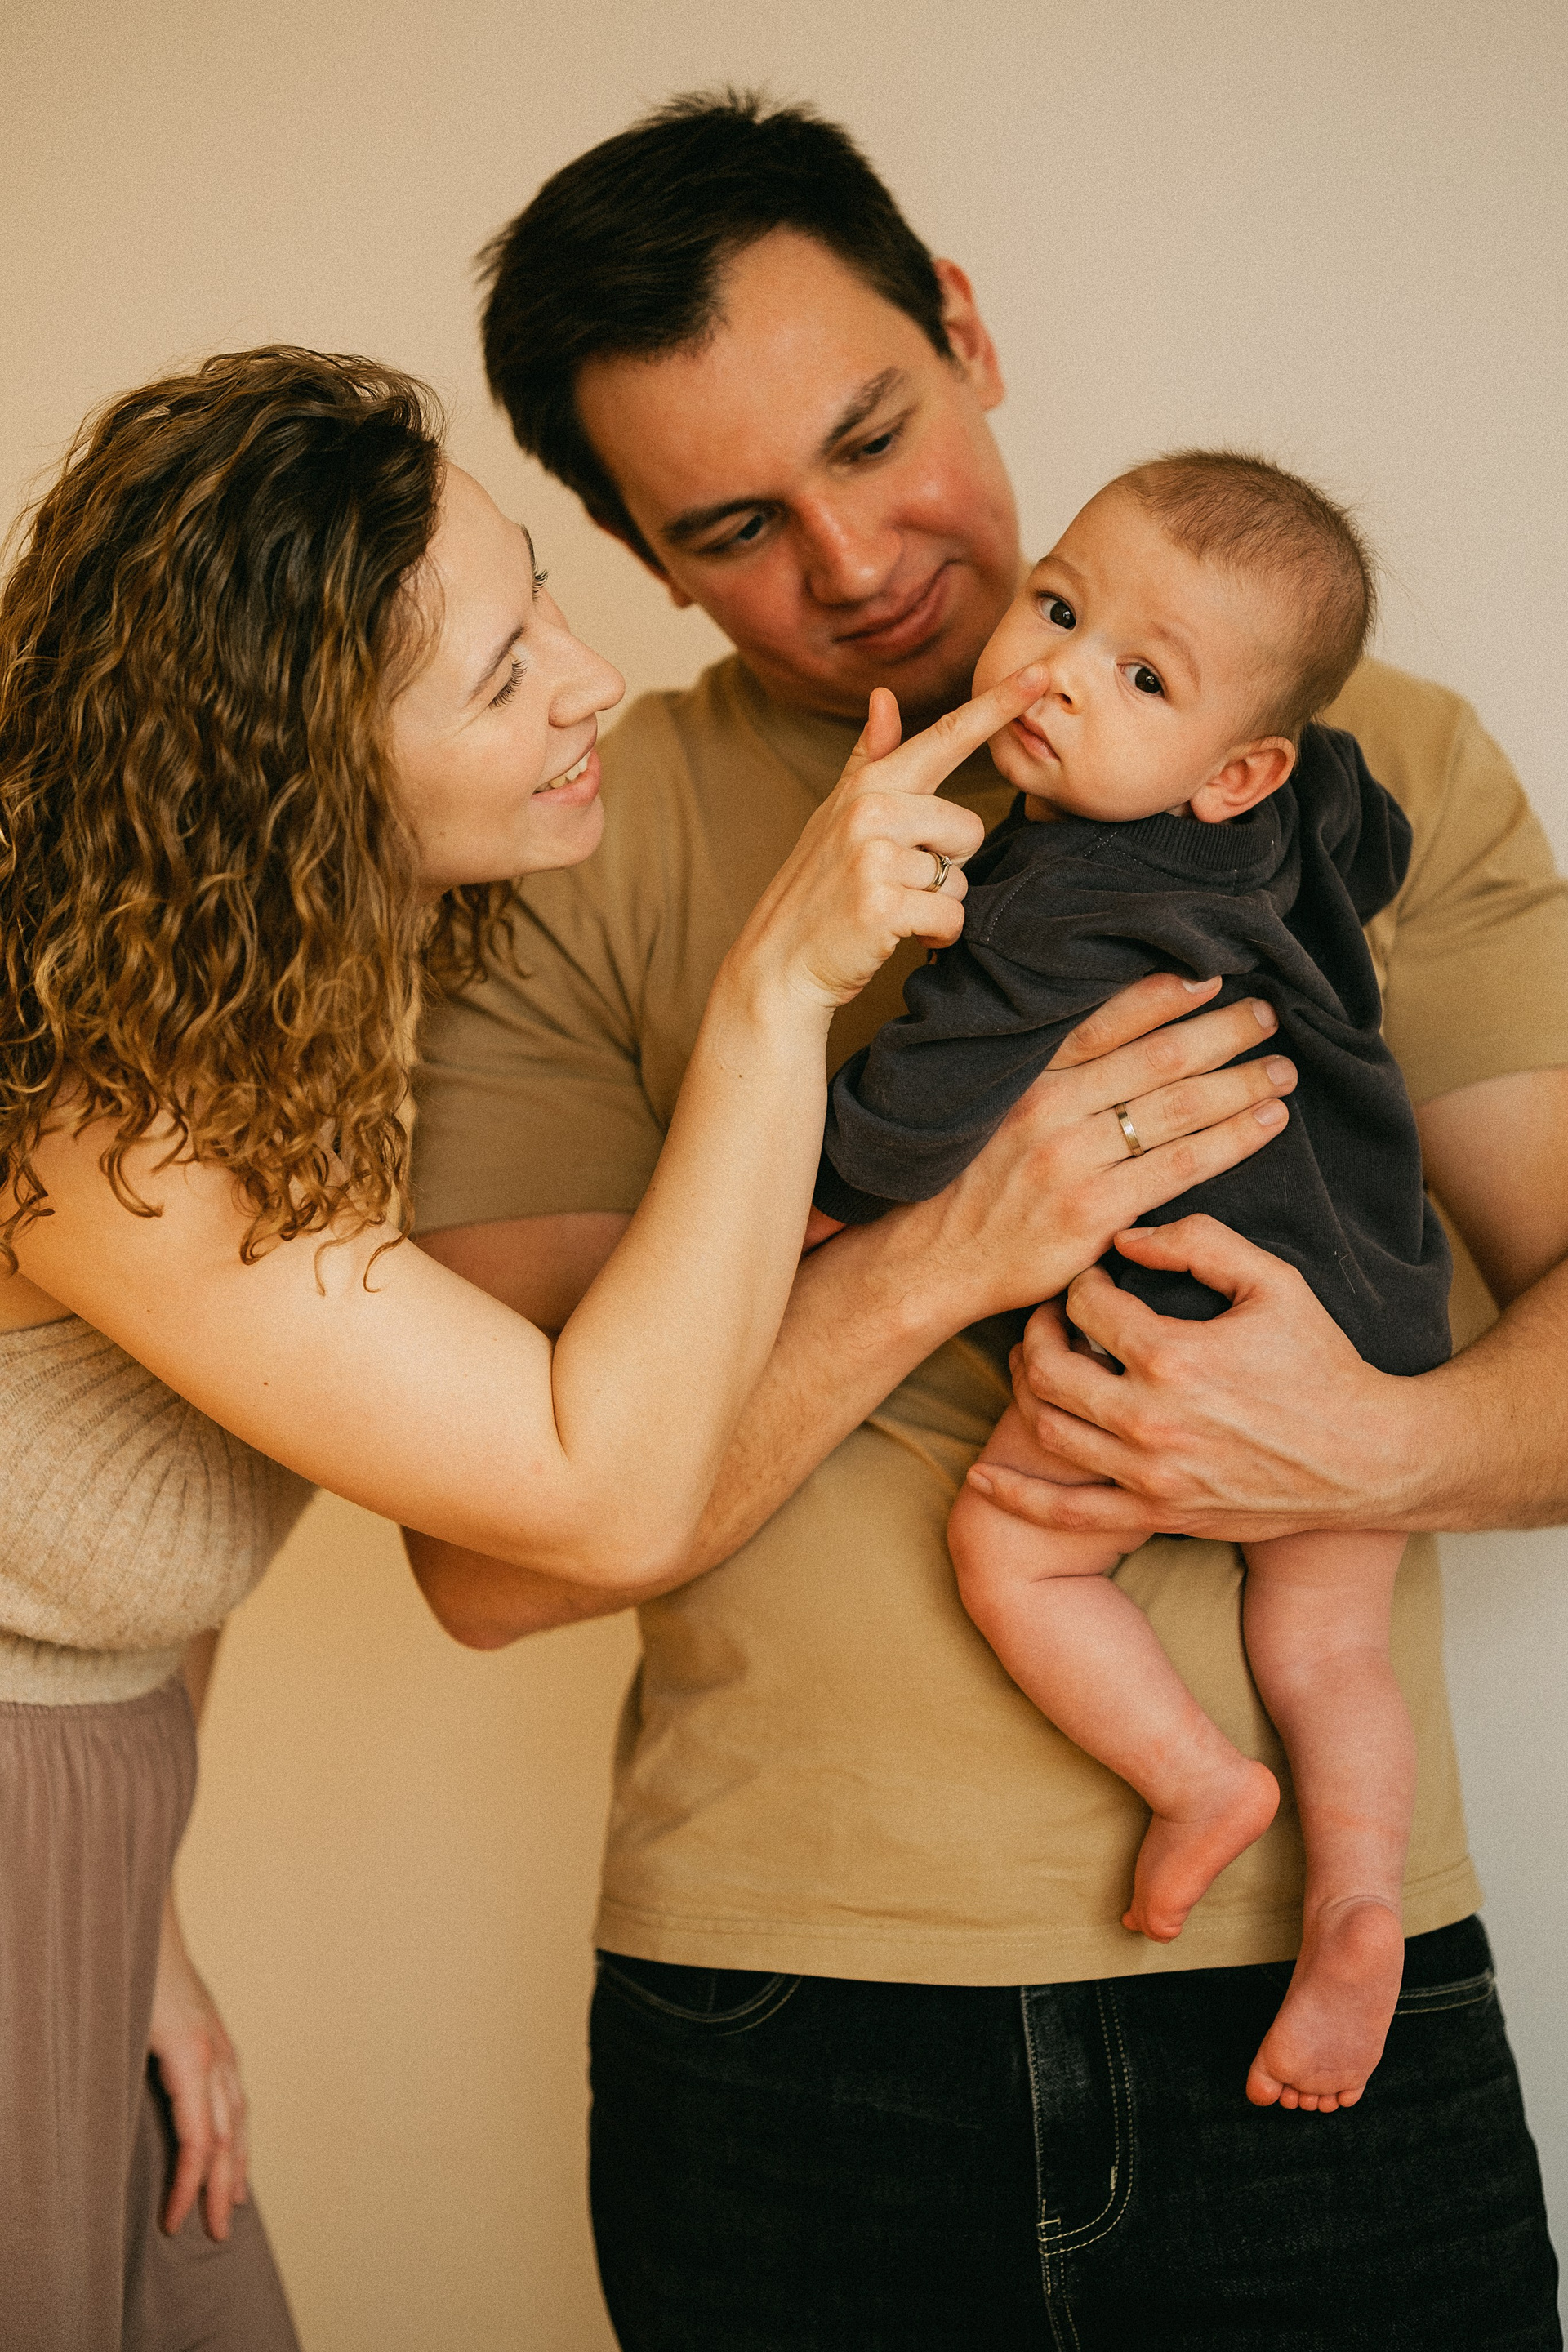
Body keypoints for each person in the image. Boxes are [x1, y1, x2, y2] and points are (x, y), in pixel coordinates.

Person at [408, 94, 1568, 2345]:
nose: (853, 561)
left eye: (875, 435)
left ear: (965, 328)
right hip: (786, 2008)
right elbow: (489, 1563)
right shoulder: (566, 839)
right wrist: (946, 1250)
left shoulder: (1371, 752)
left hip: (1321, 1996)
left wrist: (1369, 1448)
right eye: (735, 525)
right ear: (642, 560)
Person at [0, 342, 1064, 2346]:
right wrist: (777, 987)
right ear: (298, 777)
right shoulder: (111, 1121)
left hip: (90, 1837)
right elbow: (602, 1497)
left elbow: (148, 1544)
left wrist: (142, 1924)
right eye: (502, 676)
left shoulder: (263, 1011)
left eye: (544, 604)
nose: (588, 683)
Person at [816, 448, 1454, 2116]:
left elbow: (917, 1111)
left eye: (1142, 676)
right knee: (1333, 1644)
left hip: (1179, 1319)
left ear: (1236, 768)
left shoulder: (1049, 902)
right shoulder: (1306, 799)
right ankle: (1360, 1893)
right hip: (1374, 1311)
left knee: (1012, 1549)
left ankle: (1196, 1783)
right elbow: (1371, 840)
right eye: (1059, 608)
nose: (1060, 675)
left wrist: (808, 1211)